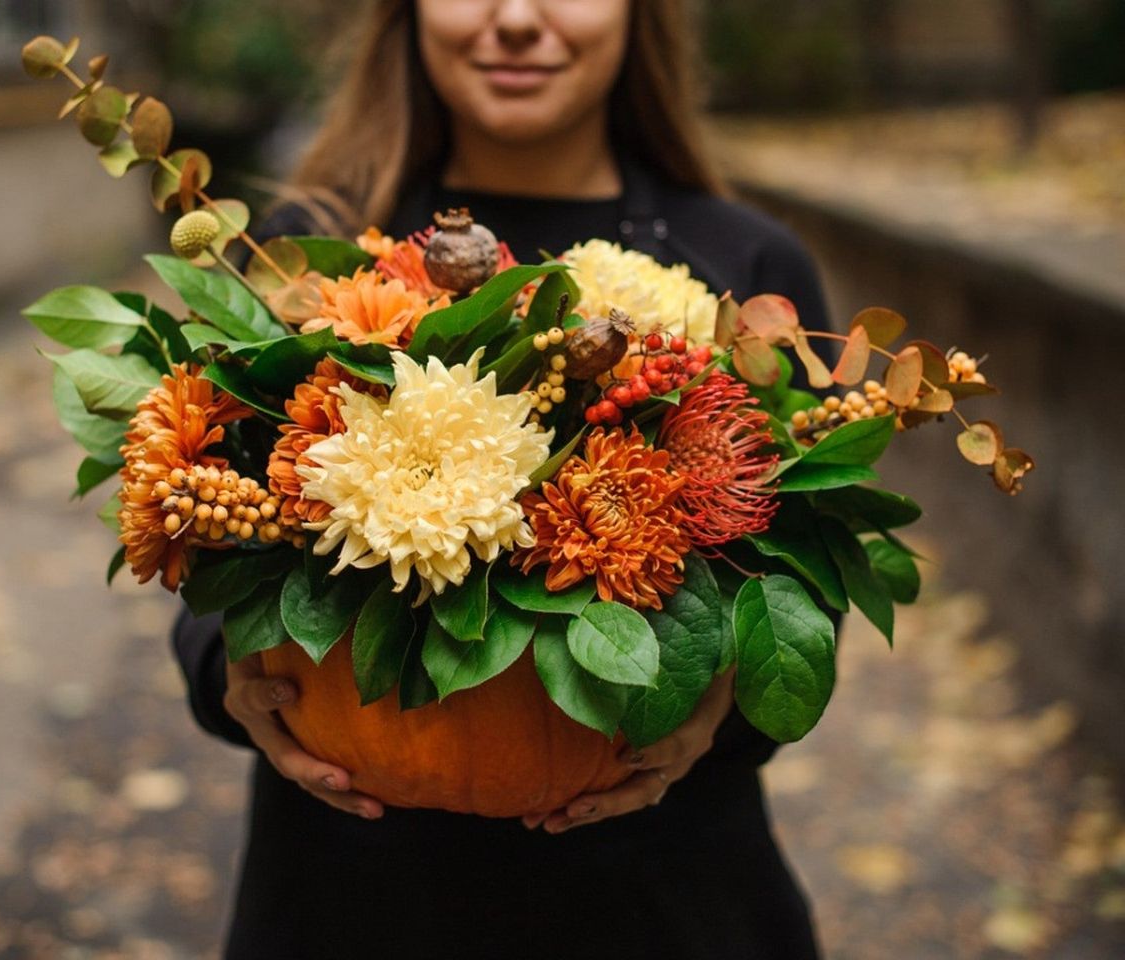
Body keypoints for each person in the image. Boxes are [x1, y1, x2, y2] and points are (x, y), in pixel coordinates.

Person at [172, 1, 835, 956]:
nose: (517, 18)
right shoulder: (297, 261)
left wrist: (720, 707)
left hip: (664, 897)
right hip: (354, 894)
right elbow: (199, 537)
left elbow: (810, 567)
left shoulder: (748, 273)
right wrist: (228, 670)